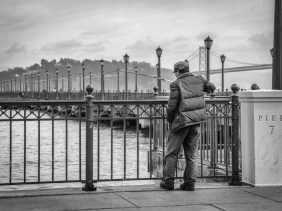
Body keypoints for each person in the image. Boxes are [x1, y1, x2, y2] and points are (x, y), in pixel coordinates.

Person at [160, 61, 215, 191]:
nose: (175, 75)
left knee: (172, 153)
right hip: (196, 121)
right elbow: (212, 88)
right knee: (192, 154)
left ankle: (168, 182)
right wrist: (203, 81)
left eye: (175, 72)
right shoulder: (199, 80)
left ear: (178, 71)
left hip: (181, 122)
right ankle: (190, 183)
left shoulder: (175, 84)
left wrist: (169, 120)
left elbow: (172, 106)